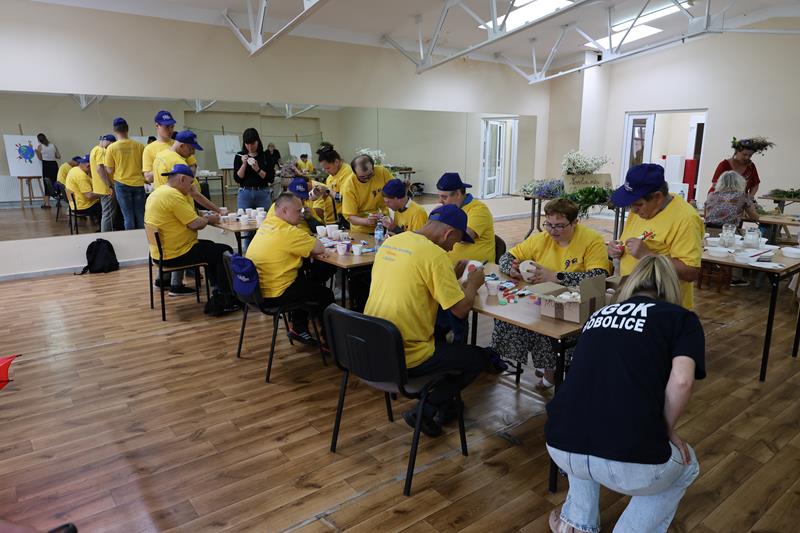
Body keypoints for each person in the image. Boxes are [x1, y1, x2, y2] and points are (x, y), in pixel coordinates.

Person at [545, 255, 705, 533]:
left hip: (559, 443)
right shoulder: (681, 318)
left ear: (631, 283)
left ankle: (576, 523)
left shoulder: (598, 315)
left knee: (586, 420)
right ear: (671, 286)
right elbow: (682, 381)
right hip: (629, 457)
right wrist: (666, 430)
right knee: (687, 465)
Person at [365, 204, 490, 437]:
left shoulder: (393, 242)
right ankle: (425, 410)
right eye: (455, 242)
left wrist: (450, 275)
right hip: (407, 355)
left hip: (373, 346)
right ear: (448, 233)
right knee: (476, 359)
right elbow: (460, 311)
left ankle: (447, 405)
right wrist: (473, 284)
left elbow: (418, 282)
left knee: (443, 337)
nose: (453, 248)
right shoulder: (435, 255)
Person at [491, 198, 610, 390]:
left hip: (575, 302)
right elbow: (508, 256)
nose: (553, 231)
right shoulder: (541, 238)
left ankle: (551, 369)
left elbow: (598, 275)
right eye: (549, 224)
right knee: (512, 319)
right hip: (542, 298)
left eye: (560, 226)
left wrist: (556, 276)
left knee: (548, 327)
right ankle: (545, 365)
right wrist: (511, 269)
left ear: (575, 222)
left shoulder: (591, 240)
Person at [608, 164, 703, 310]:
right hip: (631, 298)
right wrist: (617, 249)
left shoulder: (686, 219)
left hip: (664, 306)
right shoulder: (641, 209)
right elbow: (629, 244)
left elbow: (691, 272)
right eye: (631, 205)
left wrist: (647, 254)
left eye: (638, 204)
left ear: (658, 197)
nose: (633, 210)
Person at [246, 192, 334, 345]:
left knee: (303, 279)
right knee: (325, 294)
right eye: (298, 211)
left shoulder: (267, 224)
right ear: (284, 211)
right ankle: (330, 342)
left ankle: (299, 328)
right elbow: (320, 248)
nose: (301, 214)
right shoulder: (289, 232)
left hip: (256, 291)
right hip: (275, 294)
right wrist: (312, 249)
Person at [144, 164, 235, 308]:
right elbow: (195, 224)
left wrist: (194, 199)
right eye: (191, 182)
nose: (192, 186)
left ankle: (217, 288)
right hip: (176, 254)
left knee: (211, 246)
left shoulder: (159, 191)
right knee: (224, 251)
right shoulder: (173, 196)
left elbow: (183, 215)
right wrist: (208, 219)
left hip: (159, 253)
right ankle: (226, 296)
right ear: (182, 179)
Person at [437, 172, 495, 264]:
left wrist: (437, 231)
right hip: (450, 266)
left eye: (444, 197)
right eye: (439, 197)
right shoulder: (449, 210)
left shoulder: (479, 209)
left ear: (458, 194)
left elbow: (465, 236)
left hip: (476, 268)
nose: (440, 201)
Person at [233, 128, 273, 249]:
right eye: (247, 144)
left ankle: (265, 250)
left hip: (262, 193)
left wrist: (258, 169)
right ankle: (248, 253)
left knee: (265, 224)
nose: (250, 147)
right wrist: (244, 164)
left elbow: (270, 178)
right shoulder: (239, 156)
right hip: (245, 193)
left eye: (253, 143)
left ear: (258, 141)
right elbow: (237, 178)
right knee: (246, 227)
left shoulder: (265, 156)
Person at [104, 117, 146, 229]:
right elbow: (144, 166)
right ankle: (143, 237)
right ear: (127, 128)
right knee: (141, 215)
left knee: (128, 217)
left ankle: (130, 237)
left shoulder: (111, 148)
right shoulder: (140, 146)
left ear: (114, 130)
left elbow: (110, 170)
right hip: (138, 184)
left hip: (121, 184)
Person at [341, 154, 393, 233]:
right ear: (354, 173)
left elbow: (394, 190)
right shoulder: (349, 187)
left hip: (385, 224)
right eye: (362, 177)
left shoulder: (382, 172)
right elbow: (351, 217)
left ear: (373, 168)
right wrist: (367, 221)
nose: (367, 179)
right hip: (362, 231)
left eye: (370, 175)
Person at [142, 110, 198, 184]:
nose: (170, 130)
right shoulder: (149, 149)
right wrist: (167, 168)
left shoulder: (179, 145)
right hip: (163, 189)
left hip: (183, 187)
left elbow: (193, 167)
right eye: (167, 127)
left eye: (172, 127)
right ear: (157, 126)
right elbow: (148, 178)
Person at [707, 136, 774, 197]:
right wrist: (730, 198)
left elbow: (755, 185)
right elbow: (715, 184)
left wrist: (750, 197)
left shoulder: (751, 166)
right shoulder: (724, 164)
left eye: (750, 155)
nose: (747, 157)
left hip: (740, 200)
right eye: (744, 154)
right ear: (737, 152)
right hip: (719, 198)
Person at [316, 144, 354, 222]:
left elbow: (342, 199)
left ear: (336, 162)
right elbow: (329, 198)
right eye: (324, 169)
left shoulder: (348, 174)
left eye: (328, 168)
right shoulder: (330, 177)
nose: (326, 171)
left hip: (347, 219)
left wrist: (327, 190)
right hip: (333, 219)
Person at [91, 134, 119, 232]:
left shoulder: (94, 149)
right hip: (106, 188)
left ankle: (106, 233)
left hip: (99, 187)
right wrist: (110, 185)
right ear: (109, 142)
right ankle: (106, 235)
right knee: (108, 215)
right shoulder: (102, 151)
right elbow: (100, 168)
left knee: (106, 213)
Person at [65, 155, 101, 225]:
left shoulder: (74, 169)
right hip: (83, 207)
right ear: (88, 165)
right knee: (108, 206)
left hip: (74, 204)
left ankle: (99, 224)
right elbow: (89, 196)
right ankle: (104, 229)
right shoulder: (81, 176)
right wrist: (102, 194)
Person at [34, 133, 60, 209]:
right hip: (54, 165)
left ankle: (47, 203)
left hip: (46, 165)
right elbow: (58, 156)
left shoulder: (40, 147)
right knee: (56, 182)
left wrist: (37, 152)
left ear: (39, 140)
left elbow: (40, 158)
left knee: (47, 183)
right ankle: (58, 202)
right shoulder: (53, 145)